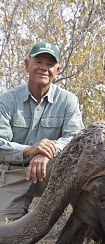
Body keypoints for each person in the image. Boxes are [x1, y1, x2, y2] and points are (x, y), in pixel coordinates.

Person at [0, 41, 84, 221]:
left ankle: (83, 227)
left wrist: (46, 153)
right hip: (14, 171)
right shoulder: (6, 100)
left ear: (58, 70)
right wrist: (30, 150)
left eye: (50, 64)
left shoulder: (68, 100)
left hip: (52, 170)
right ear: (26, 65)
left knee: (89, 178)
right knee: (4, 229)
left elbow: (77, 138)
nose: (44, 68)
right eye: (39, 62)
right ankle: (18, 214)